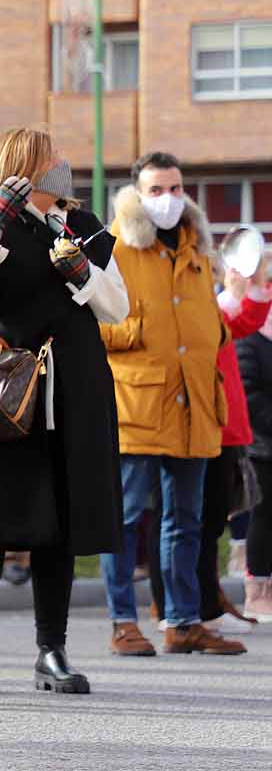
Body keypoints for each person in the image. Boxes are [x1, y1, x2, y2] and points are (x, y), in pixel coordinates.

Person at [0, 130, 127, 696]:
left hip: (72, 387)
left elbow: (116, 307)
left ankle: (52, 650)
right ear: (21, 166)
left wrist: (81, 274)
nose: (61, 167)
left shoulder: (82, 224)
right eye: (50, 159)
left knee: (60, 524)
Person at [98, 153, 243, 656]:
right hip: (138, 403)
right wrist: (135, 330)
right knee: (124, 517)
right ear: (137, 194)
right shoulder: (113, 248)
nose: (169, 198)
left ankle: (182, 621)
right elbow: (91, 323)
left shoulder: (197, 248)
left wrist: (217, 330)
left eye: (176, 188)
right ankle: (123, 621)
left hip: (195, 402)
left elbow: (207, 317)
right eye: (157, 189)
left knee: (186, 520)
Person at [146, 261, 271, 632]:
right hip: (187, 423)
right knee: (178, 519)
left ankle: (204, 603)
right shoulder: (190, 308)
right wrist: (235, 295)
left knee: (209, 520)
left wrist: (254, 287)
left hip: (222, 427)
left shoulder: (217, 309)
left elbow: (245, 323)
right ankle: (172, 605)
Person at [237, 258, 272, 621]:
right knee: (262, 517)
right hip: (262, 446)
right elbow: (250, 394)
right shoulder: (252, 336)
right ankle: (256, 587)